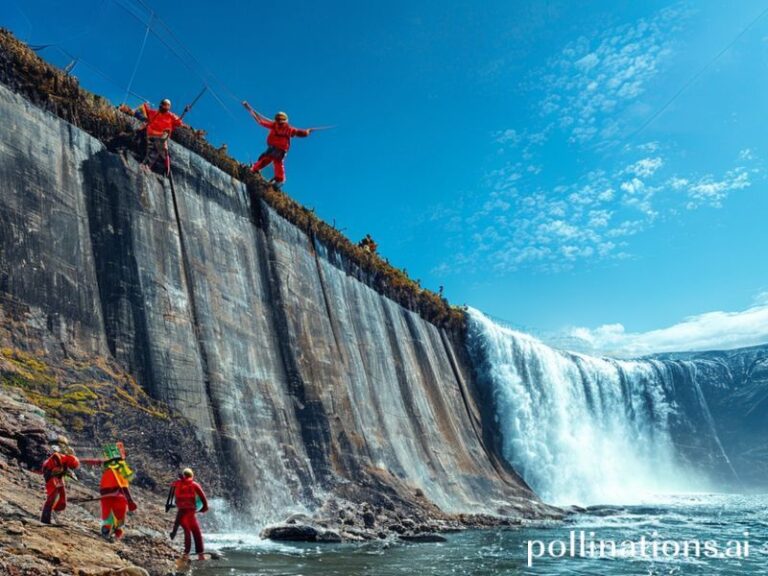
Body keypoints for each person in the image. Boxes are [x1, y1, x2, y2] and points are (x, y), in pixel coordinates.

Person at [243, 102, 311, 189]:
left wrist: (249, 108)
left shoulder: (277, 126)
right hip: (278, 149)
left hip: (277, 149)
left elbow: (260, 121)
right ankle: (276, 178)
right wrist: (308, 132)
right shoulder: (287, 128)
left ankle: (256, 170)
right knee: (272, 161)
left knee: (270, 160)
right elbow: (301, 133)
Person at [82, 442, 137, 540]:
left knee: (107, 515)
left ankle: (108, 530)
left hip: (105, 493)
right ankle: (115, 532)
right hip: (118, 494)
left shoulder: (106, 465)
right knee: (119, 517)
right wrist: (130, 501)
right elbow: (123, 486)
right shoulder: (121, 466)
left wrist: (81, 460)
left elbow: (95, 461)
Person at [119, 99, 186, 175]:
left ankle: (149, 166)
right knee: (139, 133)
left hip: (161, 136)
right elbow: (143, 114)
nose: (162, 106)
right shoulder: (154, 113)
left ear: (168, 107)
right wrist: (133, 110)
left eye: (165, 104)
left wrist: (184, 112)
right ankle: (125, 143)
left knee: (159, 146)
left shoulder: (171, 116)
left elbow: (178, 122)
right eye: (162, 104)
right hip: (150, 132)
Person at [169, 468, 209, 560]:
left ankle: (186, 554)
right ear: (191, 476)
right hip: (190, 511)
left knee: (187, 531)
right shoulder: (194, 485)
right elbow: (203, 497)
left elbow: (173, 491)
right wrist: (204, 507)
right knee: (196, 531)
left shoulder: (177, 483)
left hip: (181, 511)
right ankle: (200, 555)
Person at [40, 436, 80, 524]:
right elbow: (54, 469)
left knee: (62, 496)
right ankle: (46, 519)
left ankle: (55, 511)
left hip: (57, 476)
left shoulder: (65, 458)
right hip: (52, 475)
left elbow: (68, 470)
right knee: (51, 497)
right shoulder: (57, 456)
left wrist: (68, 474)